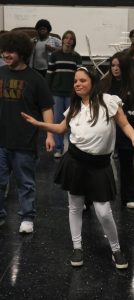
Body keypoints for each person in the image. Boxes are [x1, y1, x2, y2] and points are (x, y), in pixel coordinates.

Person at [21, 66, 134, 269]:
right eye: (75, 81)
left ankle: (116, 249)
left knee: (103, 211)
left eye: (82, 80)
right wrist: (39, 124)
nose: (77, 84)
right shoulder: (73, 107)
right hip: (75, 161)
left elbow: (124, 124)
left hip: (100, 165)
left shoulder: (108, 101)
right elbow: (60, 128)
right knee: (74, 206)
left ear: (92, 81)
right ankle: (77, 247)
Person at [0, 31, 55, 233]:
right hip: (1, 141)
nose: (6, 55)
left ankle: (27, 217)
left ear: (22, 53)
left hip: (25, 140)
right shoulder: (0, 73)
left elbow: (47, 108)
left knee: (25, 183)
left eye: (10, 52)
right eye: (4, 51)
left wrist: (50, 134)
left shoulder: (35, 79)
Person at [101, 52, 134, 209]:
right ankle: (93, 197)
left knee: (127, 165)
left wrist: (128, 117)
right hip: (106, 131)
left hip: (127, 131)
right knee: (98, 164)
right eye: (112, 66)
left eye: (118, 66)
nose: (115, 69)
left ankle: (129, 196)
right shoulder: (105, 82)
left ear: (125, 67)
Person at [46, 30, 82, 158]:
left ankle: (72, 149)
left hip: (71, 94)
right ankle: (59, 148)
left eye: (71, 39)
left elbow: (80, 76)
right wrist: (47, 91)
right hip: (56, 92)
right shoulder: (54, 55)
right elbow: (49, 75)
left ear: (74, 41)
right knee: (57, 121)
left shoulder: (76, 57)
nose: (68, 40)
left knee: (72, 121)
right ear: (62, 40)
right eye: (66, 38)